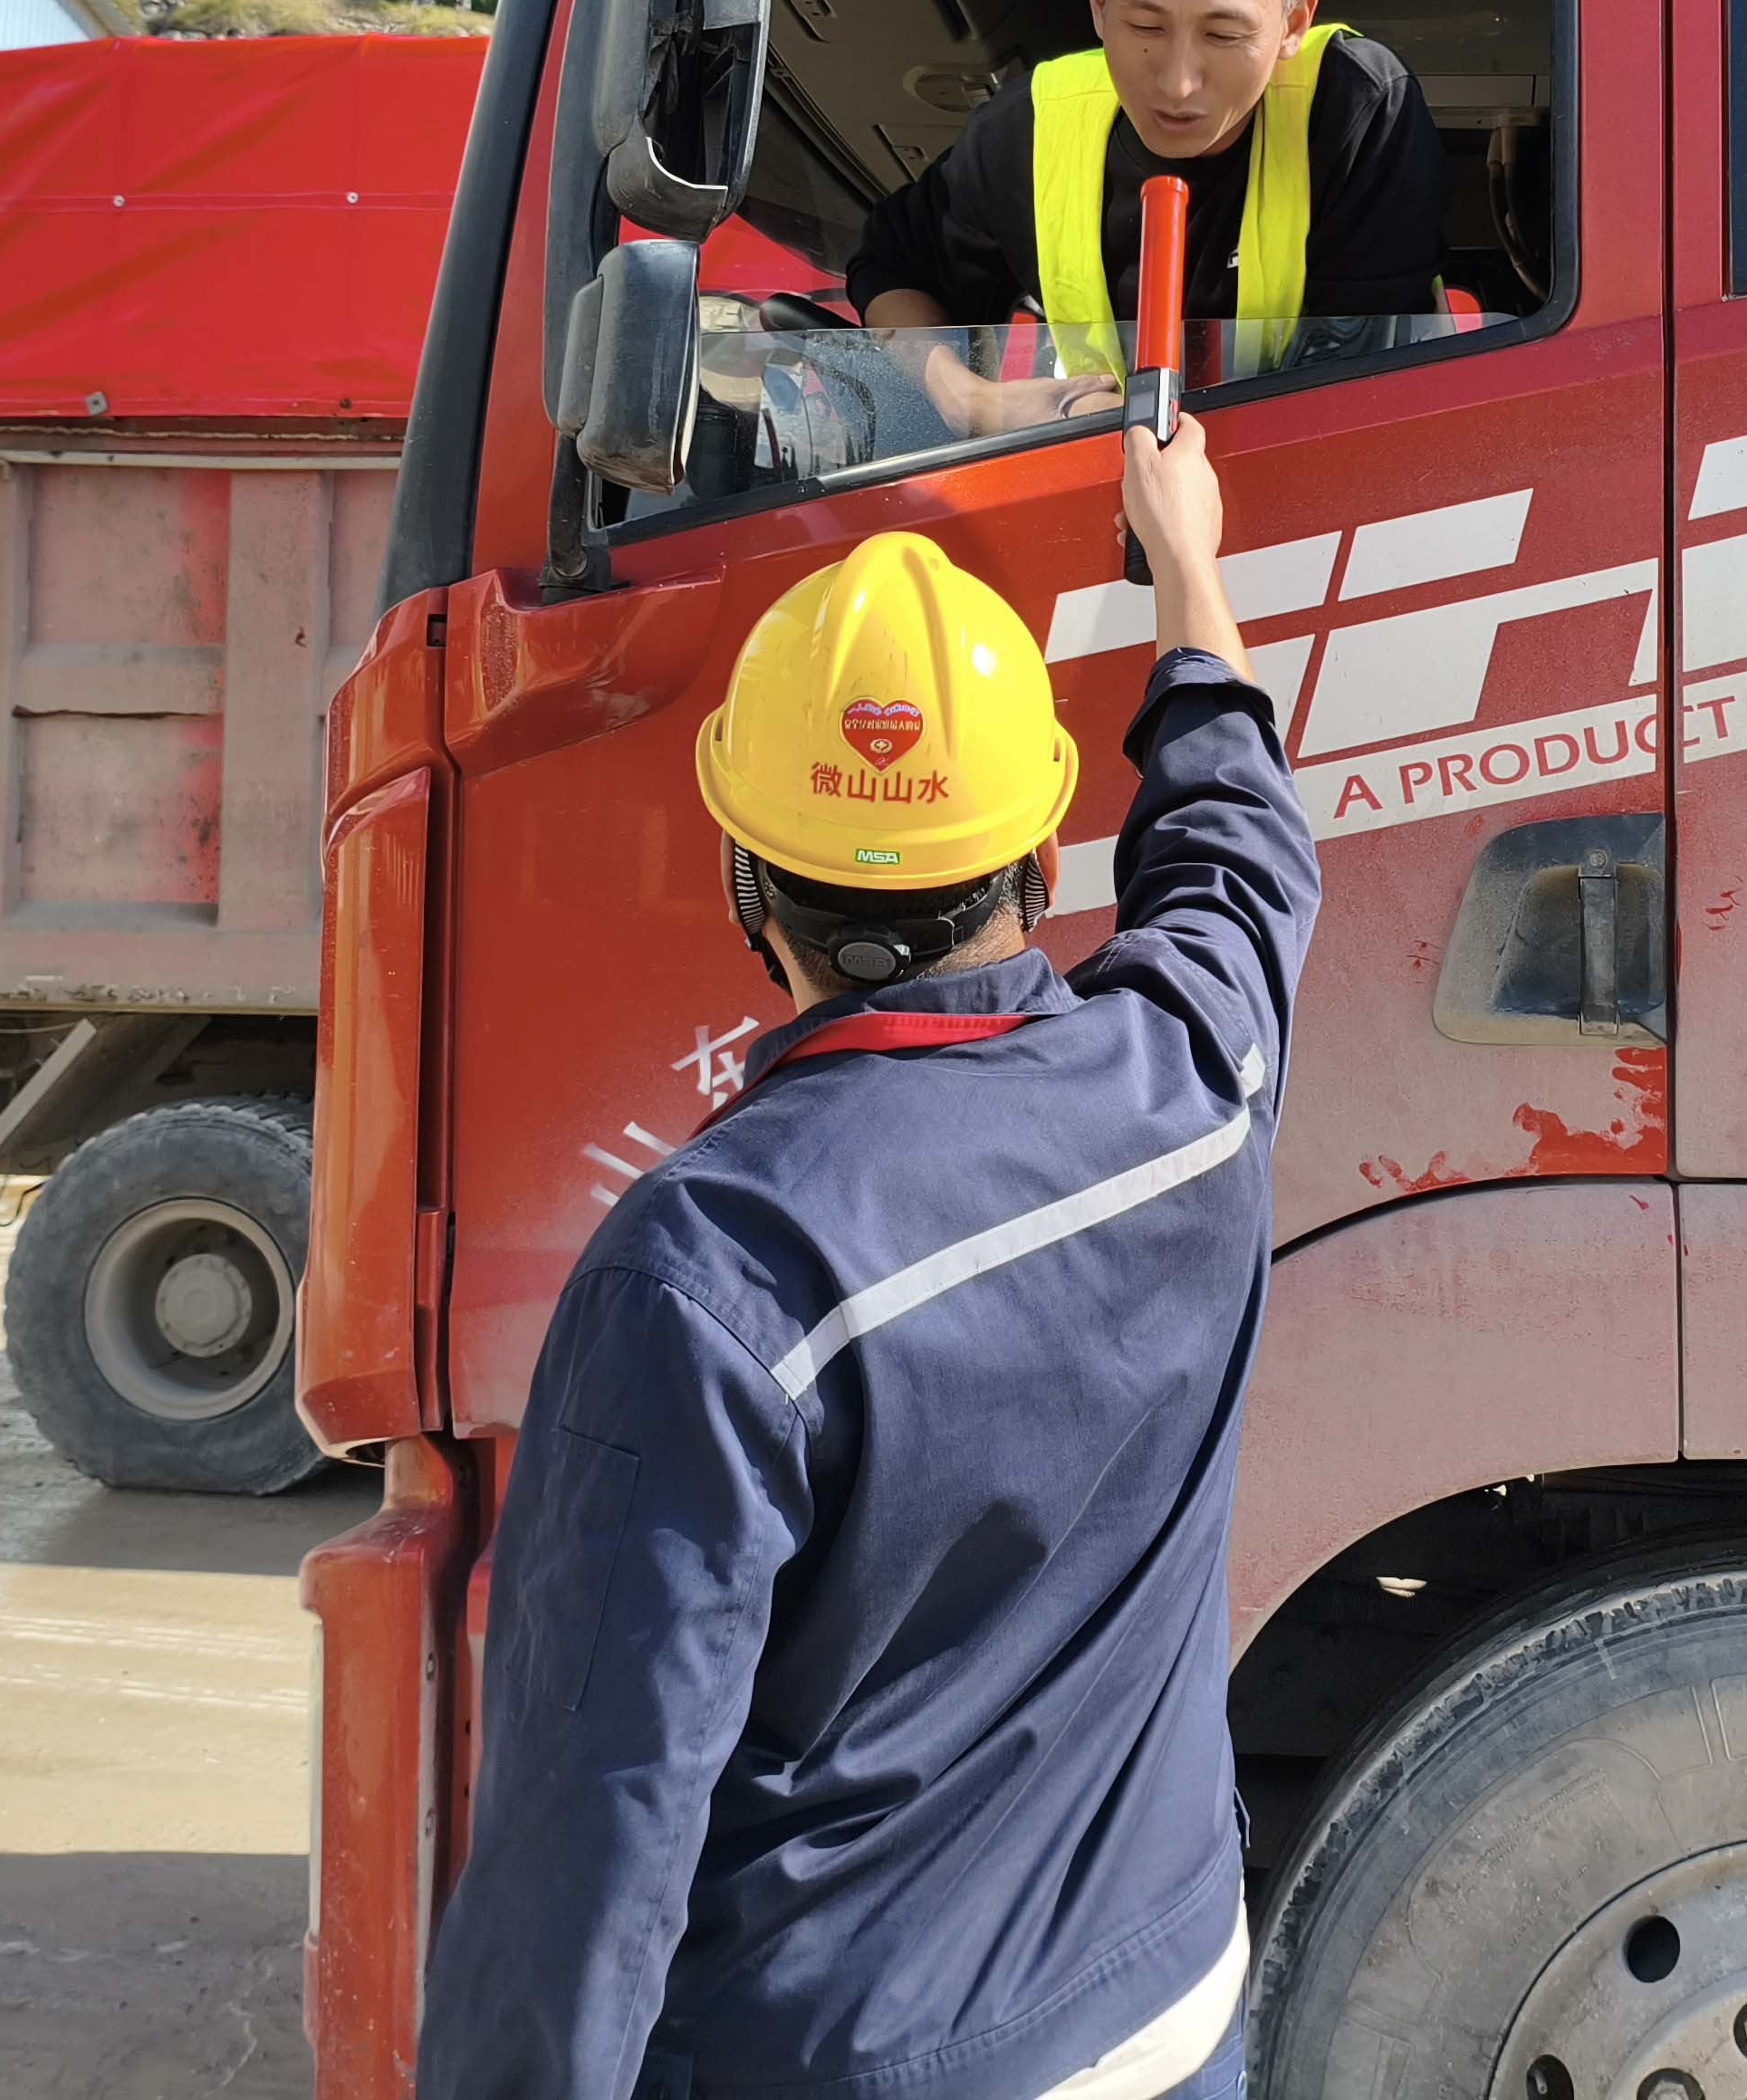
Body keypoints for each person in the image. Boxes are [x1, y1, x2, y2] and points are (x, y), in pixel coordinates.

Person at [418, 412, 1320, 2100]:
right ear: (1045, 853)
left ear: (745, 888)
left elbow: (591, 1833)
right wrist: (1184, 554)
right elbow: (1237, 835)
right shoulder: (1192, 1084)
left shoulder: (708, 1269)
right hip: (1172, 2004)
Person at [845, 0, 1449, 436]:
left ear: (1294, 21)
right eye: (1146, 26)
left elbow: (1364, 395)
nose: (1178, 84)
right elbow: (891, 266)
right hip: (1101, 486)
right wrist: (969, 400)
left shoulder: (1359, 109)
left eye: (1223, 34)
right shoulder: (1031, 125)